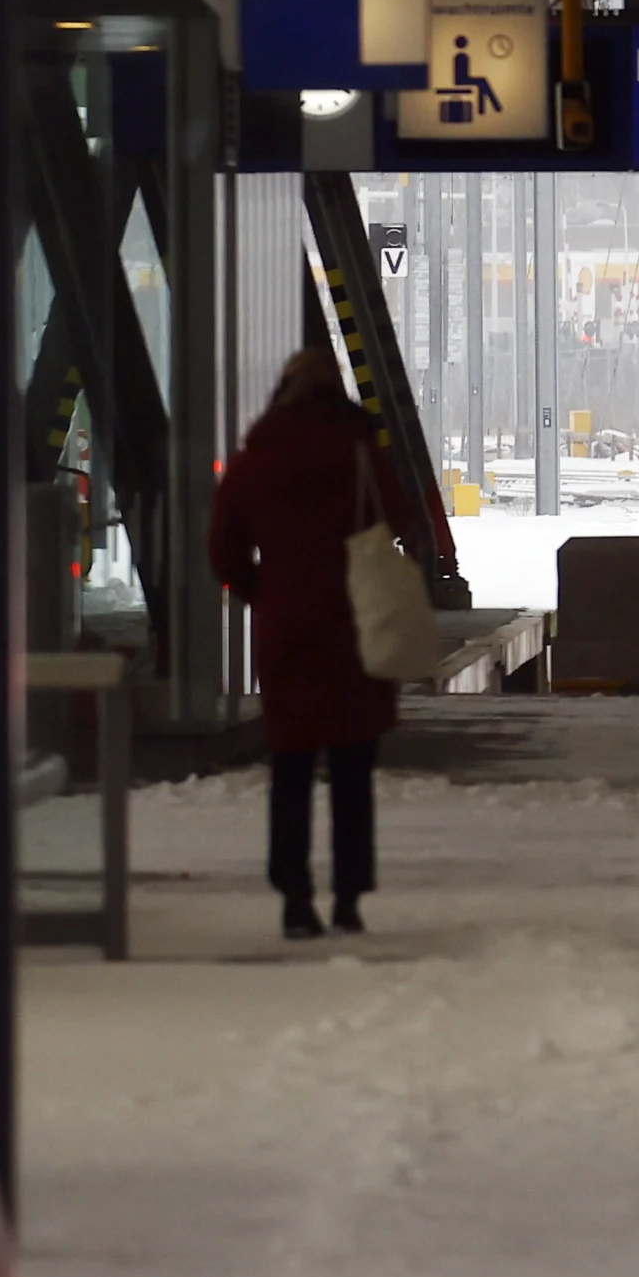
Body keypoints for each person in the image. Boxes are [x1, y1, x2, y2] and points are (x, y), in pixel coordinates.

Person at [209, 347, 413, 939]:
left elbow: (221, 547)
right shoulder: (360, 454)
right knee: (353, 767)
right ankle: (348, 897)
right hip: (357, 620)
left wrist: (262, 591)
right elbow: (397, 517)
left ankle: (295, 900)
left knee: (292, 767)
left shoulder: (255, 459)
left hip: (287, 627)